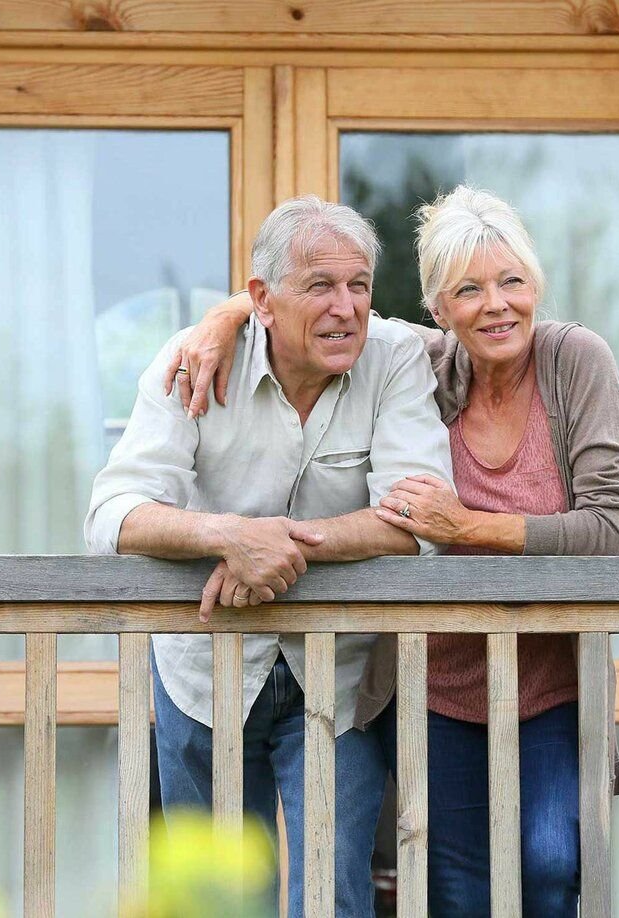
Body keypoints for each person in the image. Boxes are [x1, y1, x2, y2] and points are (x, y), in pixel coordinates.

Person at [174, 185, 619, 917]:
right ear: (437, 309)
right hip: (436, 687)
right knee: (455, 892)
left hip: (550, 683)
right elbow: (311, 310)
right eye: (470, 289)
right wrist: (224, 317)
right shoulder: (415, 361)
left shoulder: (574, 360)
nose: (497, 305)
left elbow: (608, 529)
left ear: (535, 285)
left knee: (553, 871)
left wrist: (466, 528)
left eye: (513, 281)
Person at [84, 195, 455, 918]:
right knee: (220, 900)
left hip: (338, 675)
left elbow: (420, 518)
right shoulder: (190, 361)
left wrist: (283, 549)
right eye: (319, 286)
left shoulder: (396, 355)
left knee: (333, 896)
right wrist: (227, 535)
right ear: (260, 300)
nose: (346, 308)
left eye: (359, 286)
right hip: (201, 669)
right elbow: (112, 514)